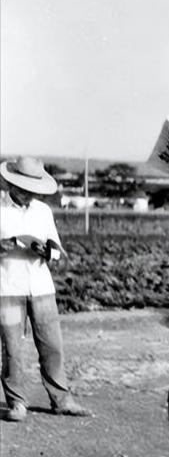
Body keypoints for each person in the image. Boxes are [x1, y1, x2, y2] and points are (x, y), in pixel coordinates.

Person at [0, 156, 91, 422]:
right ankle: (17, 402)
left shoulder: (43, 212)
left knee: (52, 346)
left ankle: (62, 400)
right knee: (11, 348)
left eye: (33, 191)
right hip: (6, 288)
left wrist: (47, 251)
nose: (28, 196)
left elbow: (57, 251)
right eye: (23, 189)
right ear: (10, 184)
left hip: (41, 287)